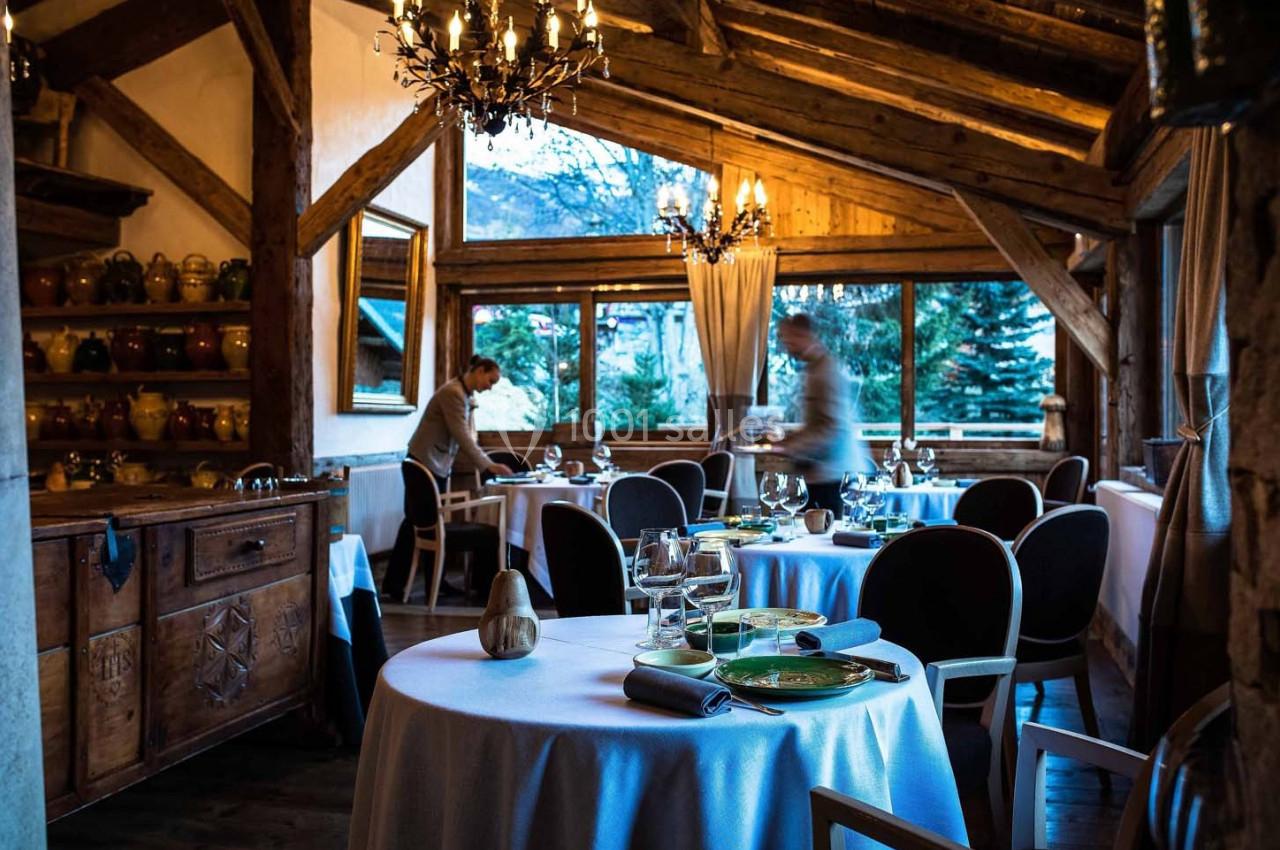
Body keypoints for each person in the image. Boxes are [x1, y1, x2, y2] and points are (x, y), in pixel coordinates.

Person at [381, 355, 513, 600]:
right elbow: (462, 436)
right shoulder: (452, 393)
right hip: (424, 464)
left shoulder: (464, 396)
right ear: (480, 371)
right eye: (491, 381)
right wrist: (489, 465)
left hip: (434, 465)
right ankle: (398, 586)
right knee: (419, 524)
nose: (490, 387)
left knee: (421, 523)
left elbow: (465, 434)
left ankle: (422, 583)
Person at [773, 313, 870, 513]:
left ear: (802, 335)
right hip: (820, 472)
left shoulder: (825, 370)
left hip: (832, 472)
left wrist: (790, 447)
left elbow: (832, 426)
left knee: (821, 531)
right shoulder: (815, 367)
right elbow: (817, 424)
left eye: (787, 339)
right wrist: (789, 440)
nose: (785, 346)